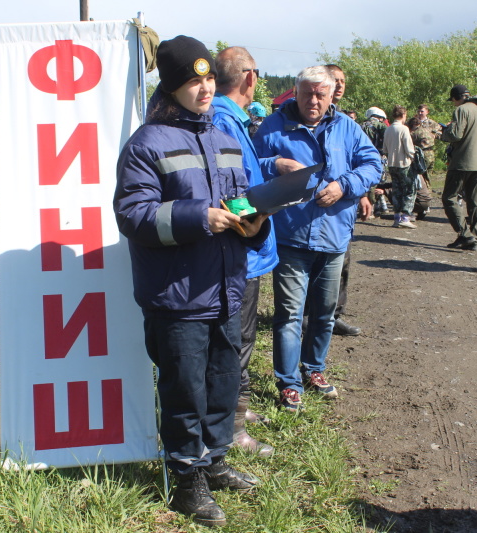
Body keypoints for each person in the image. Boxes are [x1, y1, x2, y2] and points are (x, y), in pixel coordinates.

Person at [113, 36, 270, 528]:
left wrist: (255, 219)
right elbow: (133, 216)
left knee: (224, 380)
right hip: (177, 296)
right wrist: (199, 217)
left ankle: (216, 461)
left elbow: (241, 200)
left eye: (207, 79)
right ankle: (186, 480)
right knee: (185, 391)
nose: (204, 89)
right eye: (192, 81)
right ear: (173, 86)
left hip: (226, 285)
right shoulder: (145, 144)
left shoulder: (224, 139)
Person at [253, 65, 381, 410]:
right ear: (296, 93)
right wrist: (274, 164)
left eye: (320, 95)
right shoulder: (274, 126)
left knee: (324, 313)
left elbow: (372, 165)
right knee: (290, 314)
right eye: (307, 93)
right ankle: (289, 382)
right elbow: (248, 166)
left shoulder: (347, 127)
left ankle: (314, 369)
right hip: (290, 235)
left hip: (334, 235)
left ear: (330, 96)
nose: (313, 100)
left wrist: (344, 186)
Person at [211, 46, 275, 457]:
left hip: (248, 247)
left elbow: (244, 173)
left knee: (245, 334)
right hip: (241, 248)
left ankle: (240, 407)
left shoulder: (231, 118)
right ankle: (232, 427)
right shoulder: (223, 119)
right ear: (249, 78)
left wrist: (271, 170)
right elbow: (231, 190)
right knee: (236, 339)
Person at [324, 63, 370, 337]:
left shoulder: (346, 123)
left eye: (342, 81)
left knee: (343, 262)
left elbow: (358, 162)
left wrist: (361, 193)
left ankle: (334, 315)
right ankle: (309, 316)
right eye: (335, 80)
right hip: (317, 206)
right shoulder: (311, 116)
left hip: (344, 205)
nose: (339, 85)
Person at [440, 84, 477, 251]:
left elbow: (455, 135)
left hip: (462, 162)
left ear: (456, 97)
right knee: (475, 201)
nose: (453, 103)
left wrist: (443, 134)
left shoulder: (461, 110)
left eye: (452, 100)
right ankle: (474, 237)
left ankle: (465, 234)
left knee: (449, 197)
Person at [383, 105, 417, 228]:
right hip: (404, 164)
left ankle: (396, 217)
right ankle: (405, 217)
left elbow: (385, 149)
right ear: (403, 115)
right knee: (409, 190)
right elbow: (409, 148)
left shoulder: (388, 129)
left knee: (396, 190)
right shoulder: (404, 129)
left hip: (392, 164)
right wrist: (413, 157)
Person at [410, 104, 443, 185]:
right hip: (417, 150)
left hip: (428, 150)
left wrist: (433, 136)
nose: (420, 113)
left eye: (422, 111)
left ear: (427, 112)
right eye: (419, 111)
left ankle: (427, 191)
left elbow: (440, 134)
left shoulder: (432, 123)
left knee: (427, 174)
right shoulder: (412, 122)